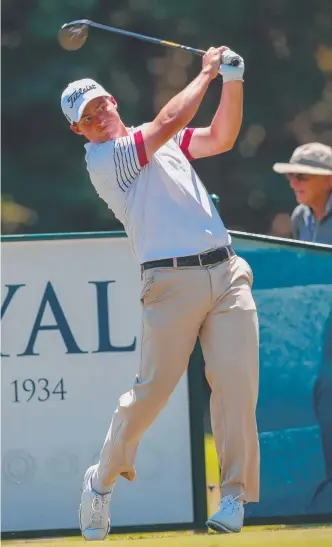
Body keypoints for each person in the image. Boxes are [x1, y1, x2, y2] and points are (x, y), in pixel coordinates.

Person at [61, 46, 260, 538]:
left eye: (101, 105)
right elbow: (171, 118)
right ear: (79, 132)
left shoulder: (158, 140)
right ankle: (101, 480)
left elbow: (221, 136)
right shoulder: (107, 160)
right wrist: (208, 72)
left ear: (113, 102)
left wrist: (232, 80)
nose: (99, 117)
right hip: (170, 284)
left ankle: (233, 496)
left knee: (236, 386)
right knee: (151, 394)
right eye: (87, 117)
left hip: (227, 271)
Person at [273, 143, 332, 245]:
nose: (293, 184)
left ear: (328, 180)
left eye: (302, 176)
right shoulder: (299, 216)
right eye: (291, 175)